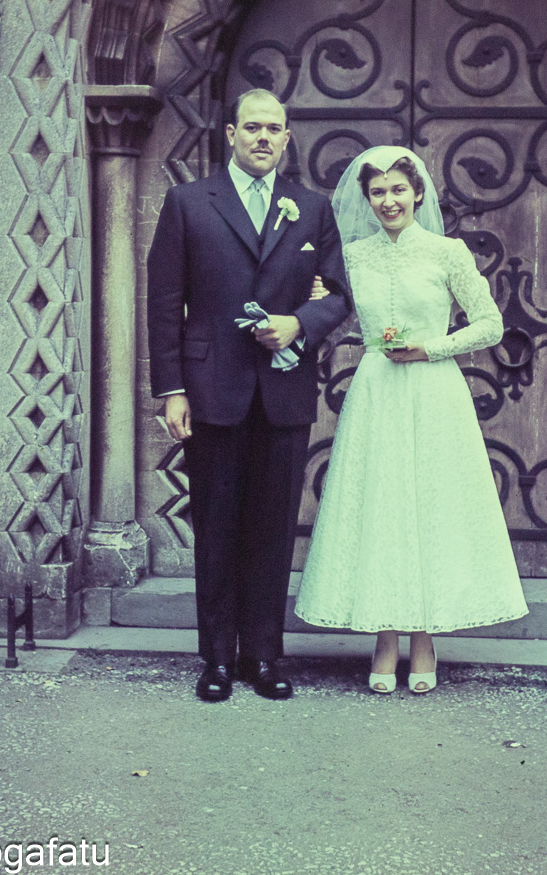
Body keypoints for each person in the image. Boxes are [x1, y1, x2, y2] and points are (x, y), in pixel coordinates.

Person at [294, 145, 528, 694]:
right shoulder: (353, 256)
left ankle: (424, 639)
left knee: (428, 505)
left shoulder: (447, 252)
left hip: (433, 389)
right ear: (367, 199)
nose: (389, 200)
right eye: (378, 192)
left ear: (417, 193)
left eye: (399, 189)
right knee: (381, 505)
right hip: (376, 390)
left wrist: (432, 348)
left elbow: (491, 324)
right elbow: (324, 308)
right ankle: (384, 637)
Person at [147, 88, 350, 702]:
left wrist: (300, 324)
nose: (263, 138)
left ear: (287, 139)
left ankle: (264, 656)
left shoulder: (311, 210)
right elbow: (163, 301)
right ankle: (216, 658)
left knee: (272, 528)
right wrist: (171, 388)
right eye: (252, 127)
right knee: (215, 524)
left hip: (284, 389)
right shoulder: (188, 203)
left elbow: (340, 294)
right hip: (212, 388)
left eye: (275, 129)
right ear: (230, 134)